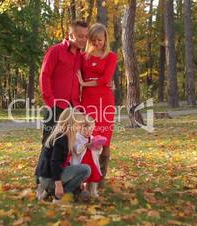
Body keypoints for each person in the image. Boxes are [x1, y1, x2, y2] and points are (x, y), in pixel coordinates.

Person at [35, 20, 88, 196]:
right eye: (80, 36)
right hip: (56, 106)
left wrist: (78, 106)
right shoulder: (56, 51)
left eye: (85, 36)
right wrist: (50, 101)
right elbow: (45, 75)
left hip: (72, 109)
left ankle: (66, 184)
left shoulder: (81, 56)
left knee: (70, 145)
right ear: (70, 35)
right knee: (48, 143)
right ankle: (41, 183)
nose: (83, 39)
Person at [77, 23, 117, 188]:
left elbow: (105, 79)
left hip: (104, 102)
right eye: (93, 40)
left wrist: (84, 84)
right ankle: (86, 176)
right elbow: (76, 73)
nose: (96, 43)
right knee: (86, 138)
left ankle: (100, 178)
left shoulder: (111, 56)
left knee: (104, 140)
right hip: (87, 102)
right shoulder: (83, 55)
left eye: (99, 40)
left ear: (105, 38)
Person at [36, 108, 91, 203]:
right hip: (48, 179)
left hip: (45, 177)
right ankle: (58, 196)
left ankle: (49, 191)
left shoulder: (60, 135)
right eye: (78, 125)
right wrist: (58, 185)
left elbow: (62, 162)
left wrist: (78, 181)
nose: (79, 128)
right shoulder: (61, 139)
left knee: (79, 170)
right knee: (86, 169)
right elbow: (54, 163)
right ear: (69, 124)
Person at [71, 115, 105, 198]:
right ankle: (80, 190)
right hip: (81, 161)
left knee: (94, 176)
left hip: (91, 161)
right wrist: (85, 145)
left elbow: (98, 151)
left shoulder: (92, 137)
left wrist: (98, 147)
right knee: (81, 177)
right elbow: (76, 150)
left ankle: (93, 191)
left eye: (91, 130)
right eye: (86, 130)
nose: (89, 133)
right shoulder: (76, 137)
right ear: (80, 128)